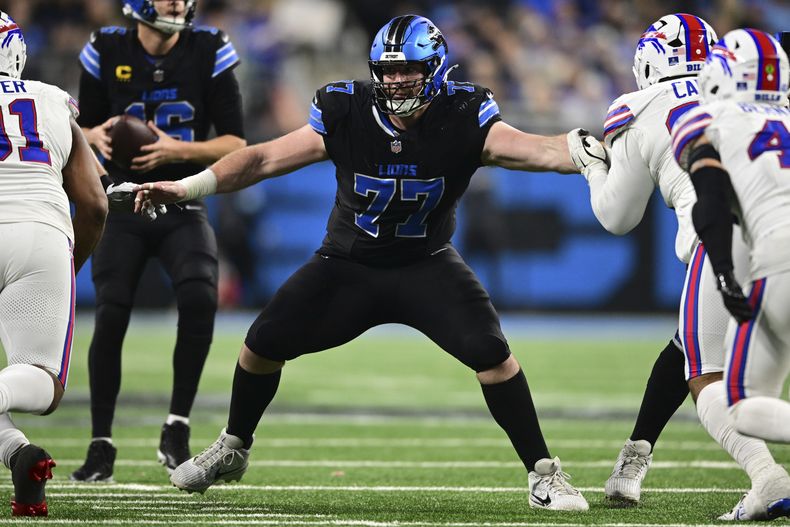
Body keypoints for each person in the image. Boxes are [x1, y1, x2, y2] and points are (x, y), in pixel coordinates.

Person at [134, 14, 589, 511]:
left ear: (434, 69)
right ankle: (234, 447)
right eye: (386, 71)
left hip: (426, 263)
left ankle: (544, 474)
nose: (394, 81)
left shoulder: (464, 112)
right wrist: (186, 187)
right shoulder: (346, 108)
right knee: (260, 345)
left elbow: (537, 151)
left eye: (407, 71)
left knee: (493, 356)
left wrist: (588, 150)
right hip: (347, 263)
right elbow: (264, 159)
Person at [567, 14, 786, 519]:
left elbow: (617, 217)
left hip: (729, 242)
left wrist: (590, 165)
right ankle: (635, 456)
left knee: (706, 376)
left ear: (647, 61)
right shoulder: (765, 99)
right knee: (688, 344)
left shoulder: (643, 106)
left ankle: (767, 477)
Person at [70, 0, 246, 482]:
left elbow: (236, 144)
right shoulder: (106, 47)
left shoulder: (209, 47)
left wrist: (177, 150)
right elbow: (75, 130)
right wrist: (94, 136)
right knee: (111, 310)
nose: (176, 3)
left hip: (180, 198)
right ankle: (100, 442)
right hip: (122, 201)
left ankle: (178, 424)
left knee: (199, 294)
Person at [670, 28, 790, 520]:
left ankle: (769, 480)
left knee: (736, 399)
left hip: (777, 260)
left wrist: (722, 272)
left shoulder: (705, 117)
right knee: (747, 402)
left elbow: (712, 205)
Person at [0, 11, 108, 516]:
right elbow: (94, 203)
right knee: (42, 380)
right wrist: (70, 263)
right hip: (39, 233)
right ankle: (19, 455)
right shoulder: (49, 98)